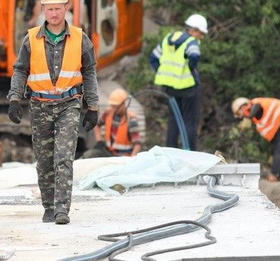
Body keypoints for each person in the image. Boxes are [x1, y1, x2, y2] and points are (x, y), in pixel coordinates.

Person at [7, 0, 99, 225]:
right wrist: (15, 98)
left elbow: (89, 71)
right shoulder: (31, 39)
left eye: (59, 9)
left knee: (64, 157)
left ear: (66, 9)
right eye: (50, 9)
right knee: (45, 159)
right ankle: (48, 206)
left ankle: (61, 210)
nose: (55, 14)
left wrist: (93, 106)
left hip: (69, 103)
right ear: (43, 10)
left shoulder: (80, 38)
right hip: (39, 106)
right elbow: (20, 70)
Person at [149, 14, 208, 151]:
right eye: (201, 33)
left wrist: (162, 72)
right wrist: (191, 69)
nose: (202, 37)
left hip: (170, 88)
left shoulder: (168, 39)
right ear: (193, 30)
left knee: (174, 120)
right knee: (189, 121)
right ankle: (190, 153)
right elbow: (194, 55)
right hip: (188, 87)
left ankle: (171, 151)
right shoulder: (191, 42)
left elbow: (153, 57)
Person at [232, 96, 280, 182]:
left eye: (239, 113)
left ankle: (274, 174)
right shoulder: (257, 115)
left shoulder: (253, 104)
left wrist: (249, 117)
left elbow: (257, 107)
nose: (241, 117)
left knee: (279, 148)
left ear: (242, 106)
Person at [82, 87, 143, 158]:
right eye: (112, 106)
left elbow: (137, 144)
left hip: (124, 156)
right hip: (108, 151)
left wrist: (133, 157)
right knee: (88, 155)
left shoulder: (131, 119)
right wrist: (99, 141)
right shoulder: (108, 114)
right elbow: (96, 125)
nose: (112, 108)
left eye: (115, 106)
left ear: (123, 105)